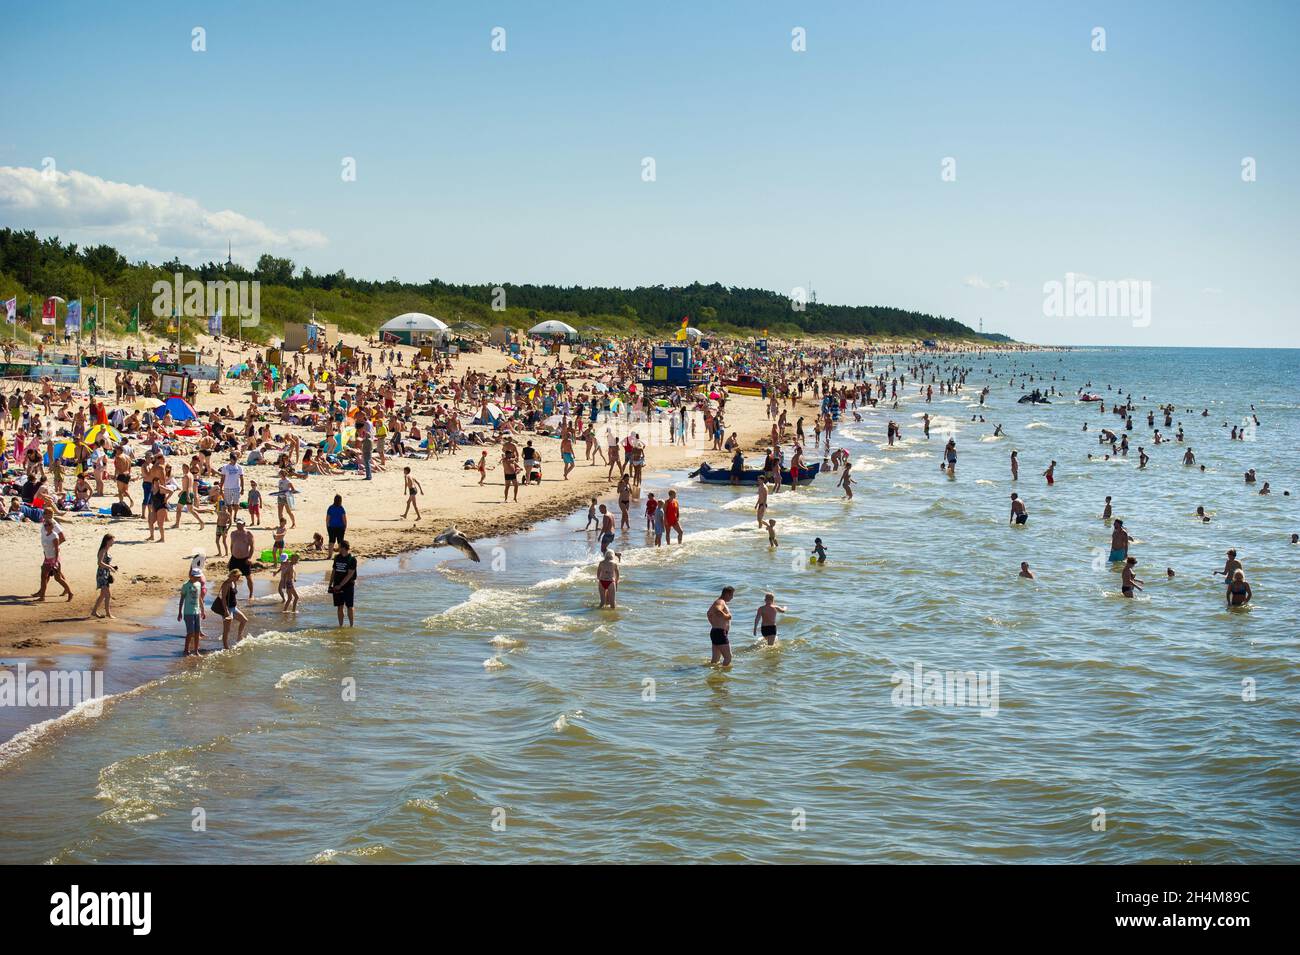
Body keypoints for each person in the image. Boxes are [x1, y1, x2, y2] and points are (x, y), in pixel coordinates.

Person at [33, 510, 73, 602]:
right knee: (44, 576)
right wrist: (46, 552)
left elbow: (58, 544)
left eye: (47, 525)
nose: (45, 526)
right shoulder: (45, 529)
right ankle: (42, 595)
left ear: (51, 526)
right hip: (47, 556)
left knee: (57, 578)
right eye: (45, 525)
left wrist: (55, 559)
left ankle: (70, 592)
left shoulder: (54, 534)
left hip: (53, 558)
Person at [329, 539, 358, 627]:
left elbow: (350, 575)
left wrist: (340, 585)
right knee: (339, 606)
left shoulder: (352, 559)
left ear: (344, 548)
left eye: (339, 547)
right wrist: (330, 584)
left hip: (348, 586)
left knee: (349, 606)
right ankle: (340, 625)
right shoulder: (337, 557)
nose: (338, 548)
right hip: (336, 584)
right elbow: (333, 571)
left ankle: (351, 626)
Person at [178, 569, 206, 655]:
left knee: (197, 633)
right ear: (192, 576)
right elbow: (182, 599)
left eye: (199, 577)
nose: (198, 579)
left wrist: (203, 610)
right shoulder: (186, 585)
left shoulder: (198, 584)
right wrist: (179, 612)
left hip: (197, 612)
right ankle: (186, 650)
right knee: (190, 632)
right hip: (188, 613)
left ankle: (196, 651)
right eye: (197, 577)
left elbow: (200, 598)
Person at [228, 517, 256, 601]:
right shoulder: (233, 533)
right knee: (232, 577)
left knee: (248, 577)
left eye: (240, 524)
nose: (238, 525)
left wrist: (250, 558)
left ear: (244, 524)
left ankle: (251, 594)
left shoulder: (248, 533)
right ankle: (233, 593)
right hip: (234, 558)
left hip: (244, 559)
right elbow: (232, 545)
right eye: (237, 524)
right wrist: (231, 557)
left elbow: (252, 546)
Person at [90, 533, 116, 618]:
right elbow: (99, 563)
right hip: (102, 574)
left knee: (102, 595)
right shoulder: (103, 550)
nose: (114, 542)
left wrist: (111, 566)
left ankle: (94, 612)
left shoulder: (106, 550)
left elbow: (105, 562)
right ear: (107, 541)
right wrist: (109, 567)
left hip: (105, 573)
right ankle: (108, 613)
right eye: (112, 540)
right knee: (107, 595)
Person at [708, 586, 735, 665]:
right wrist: (727, 616)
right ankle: (722, 677)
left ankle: (714, 676)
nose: (732, 597)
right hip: (720, 633)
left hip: (716, 631)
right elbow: (717, 610)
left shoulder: (718, 601)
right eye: (732, 595)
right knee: (728, 657)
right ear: (727, 594)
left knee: (715, 660)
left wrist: (713, 623)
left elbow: (708, 613)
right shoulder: (721, 602)